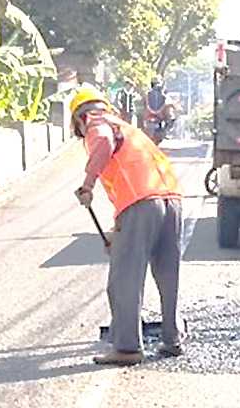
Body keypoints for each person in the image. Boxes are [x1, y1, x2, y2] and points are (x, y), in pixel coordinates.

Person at [70, 86, 184, 366]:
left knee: (125, 278)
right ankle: (173, 340)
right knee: (168, 275)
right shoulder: (129, 129)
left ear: (80, 119)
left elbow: (105, 143)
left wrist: (87, 184)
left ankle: (127, 347)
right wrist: (118, 232)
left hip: (141, 203)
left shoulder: (98, 124)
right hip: (171, 200)